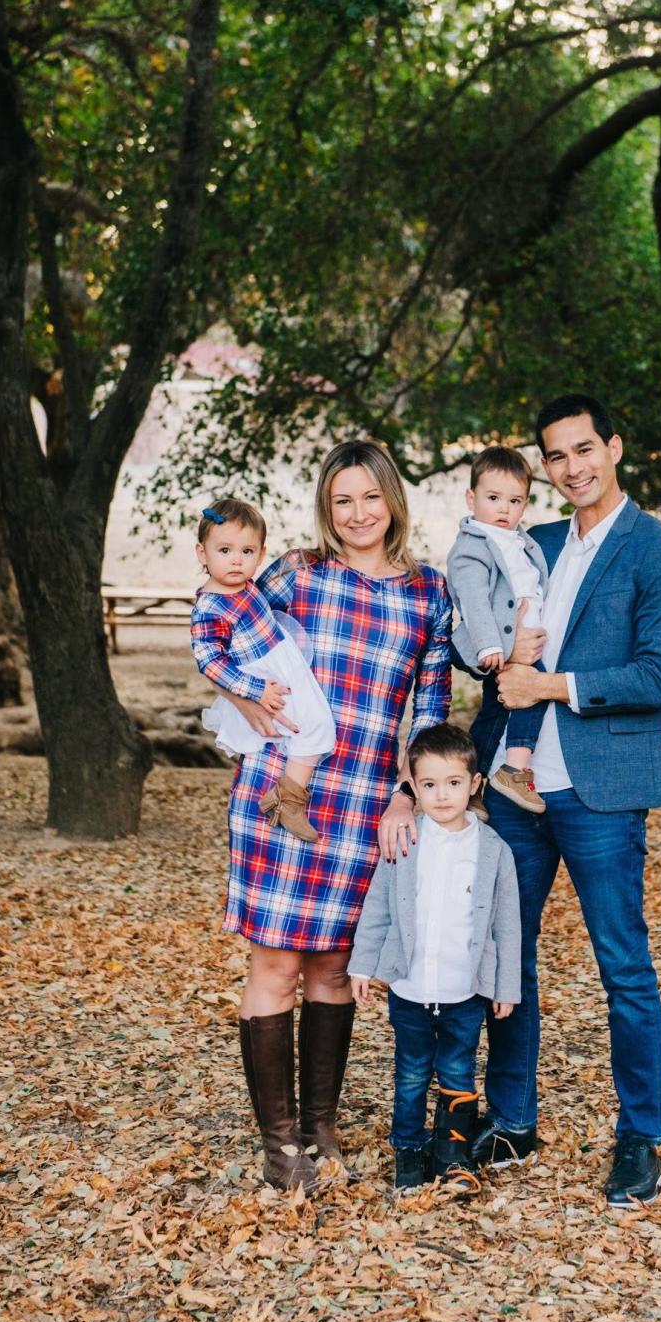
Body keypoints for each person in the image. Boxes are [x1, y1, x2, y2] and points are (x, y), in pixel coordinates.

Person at [468, 393, 661, 1208]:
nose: (571, 468)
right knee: (505, 956)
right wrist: (492, 673)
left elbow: (657, 676)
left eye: (583, 450)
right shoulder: (529, 542)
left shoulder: (660, 552)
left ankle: (640, 1137)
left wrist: (554, 684)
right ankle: (513, 1118)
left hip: (601, 790)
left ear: (614, 448)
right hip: (512, 790)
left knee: (623, 968)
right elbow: (489, 653)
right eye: (555, 458)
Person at [210, 443, 452, 1194]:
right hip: (286, 792)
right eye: (342, 500)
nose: (357, 514)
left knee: (334, 969)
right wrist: (247, 701)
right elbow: (224, 626)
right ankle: (277, 1143)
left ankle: (319, 1127)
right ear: (326, 507)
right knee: (276, 963)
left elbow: (431, 707)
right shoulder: (292, 574)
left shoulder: (428, 593)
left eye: (370, 498)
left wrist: (408, 792)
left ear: (392, 502)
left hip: (367, 804)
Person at [349, 723, 521, 1196]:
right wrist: (363, 966)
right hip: (411, 987)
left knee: (459, 1071)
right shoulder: (404, 840)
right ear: (414, 787)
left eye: (452, 783)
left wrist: (506, 987)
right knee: (410, 1073)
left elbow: (507, 925)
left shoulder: (493, 851)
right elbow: (378, 906)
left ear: (475, 785)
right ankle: (408, 1148)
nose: (441, 796)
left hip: (464, 990)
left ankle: (452, 1154)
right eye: (428, 785)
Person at [191, 497, 337, 844]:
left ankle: (287, 794)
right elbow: (209, 661)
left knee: (317, 725)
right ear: (202, 553)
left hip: (284, 660)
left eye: (247, 551)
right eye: (224, 550)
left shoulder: (247, 586)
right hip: (265, 677)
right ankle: (290, 798)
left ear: (261, 554)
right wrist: (255, 690)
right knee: (315, 727)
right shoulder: (209, 607)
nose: (236, 560)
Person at [446, 447, 549, 814]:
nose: (504, 509)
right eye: (493, 498)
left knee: (494, 713)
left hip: (519, 642)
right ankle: (515, 769)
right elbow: (473, 598)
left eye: (514, 500)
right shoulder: (474, 545)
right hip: (499, 644)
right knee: (531, 695)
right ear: (471, 498)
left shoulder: (518, 539)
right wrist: (494, 645)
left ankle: (472, 782)